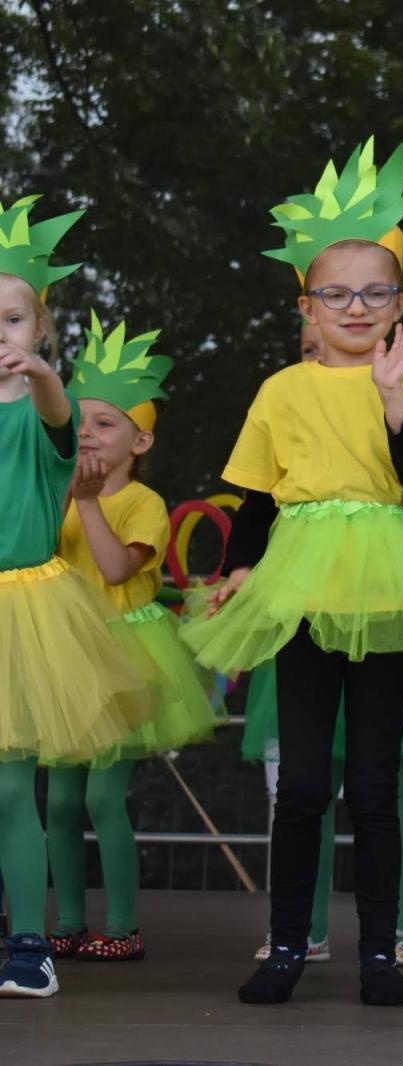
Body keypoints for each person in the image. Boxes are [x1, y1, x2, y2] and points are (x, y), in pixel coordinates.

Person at [182, 139, 403, 1006]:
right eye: (337, 292)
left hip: (388, 585)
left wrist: (396, 400)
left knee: (374, 780)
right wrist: (238, 570)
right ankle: (286, 948)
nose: (356, 305)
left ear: (400, 304)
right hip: (301, 586)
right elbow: (255, 497)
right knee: (301, 784)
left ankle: (378, 955)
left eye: (375, 292)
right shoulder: (281, 391)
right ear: (309, 305)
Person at [0, 195, 151, 998]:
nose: (1, 333)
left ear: (41, 332)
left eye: (15, 319)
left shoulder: (48, 418)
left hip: (21, 611)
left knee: (8, 786)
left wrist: (45, 377)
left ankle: (31, 945)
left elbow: (60, 417)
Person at [47, 312, 215, 964]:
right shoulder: (55, 492)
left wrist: (86, 502)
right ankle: (64, 921)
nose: (87, 433)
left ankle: (121, 925)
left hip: (125, 654)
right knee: (59, 801)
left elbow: (117, 568)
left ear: (139, 442)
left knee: (99, 795)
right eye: (79, 421)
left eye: (104, 423)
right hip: (65, 652)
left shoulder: (143, 504)